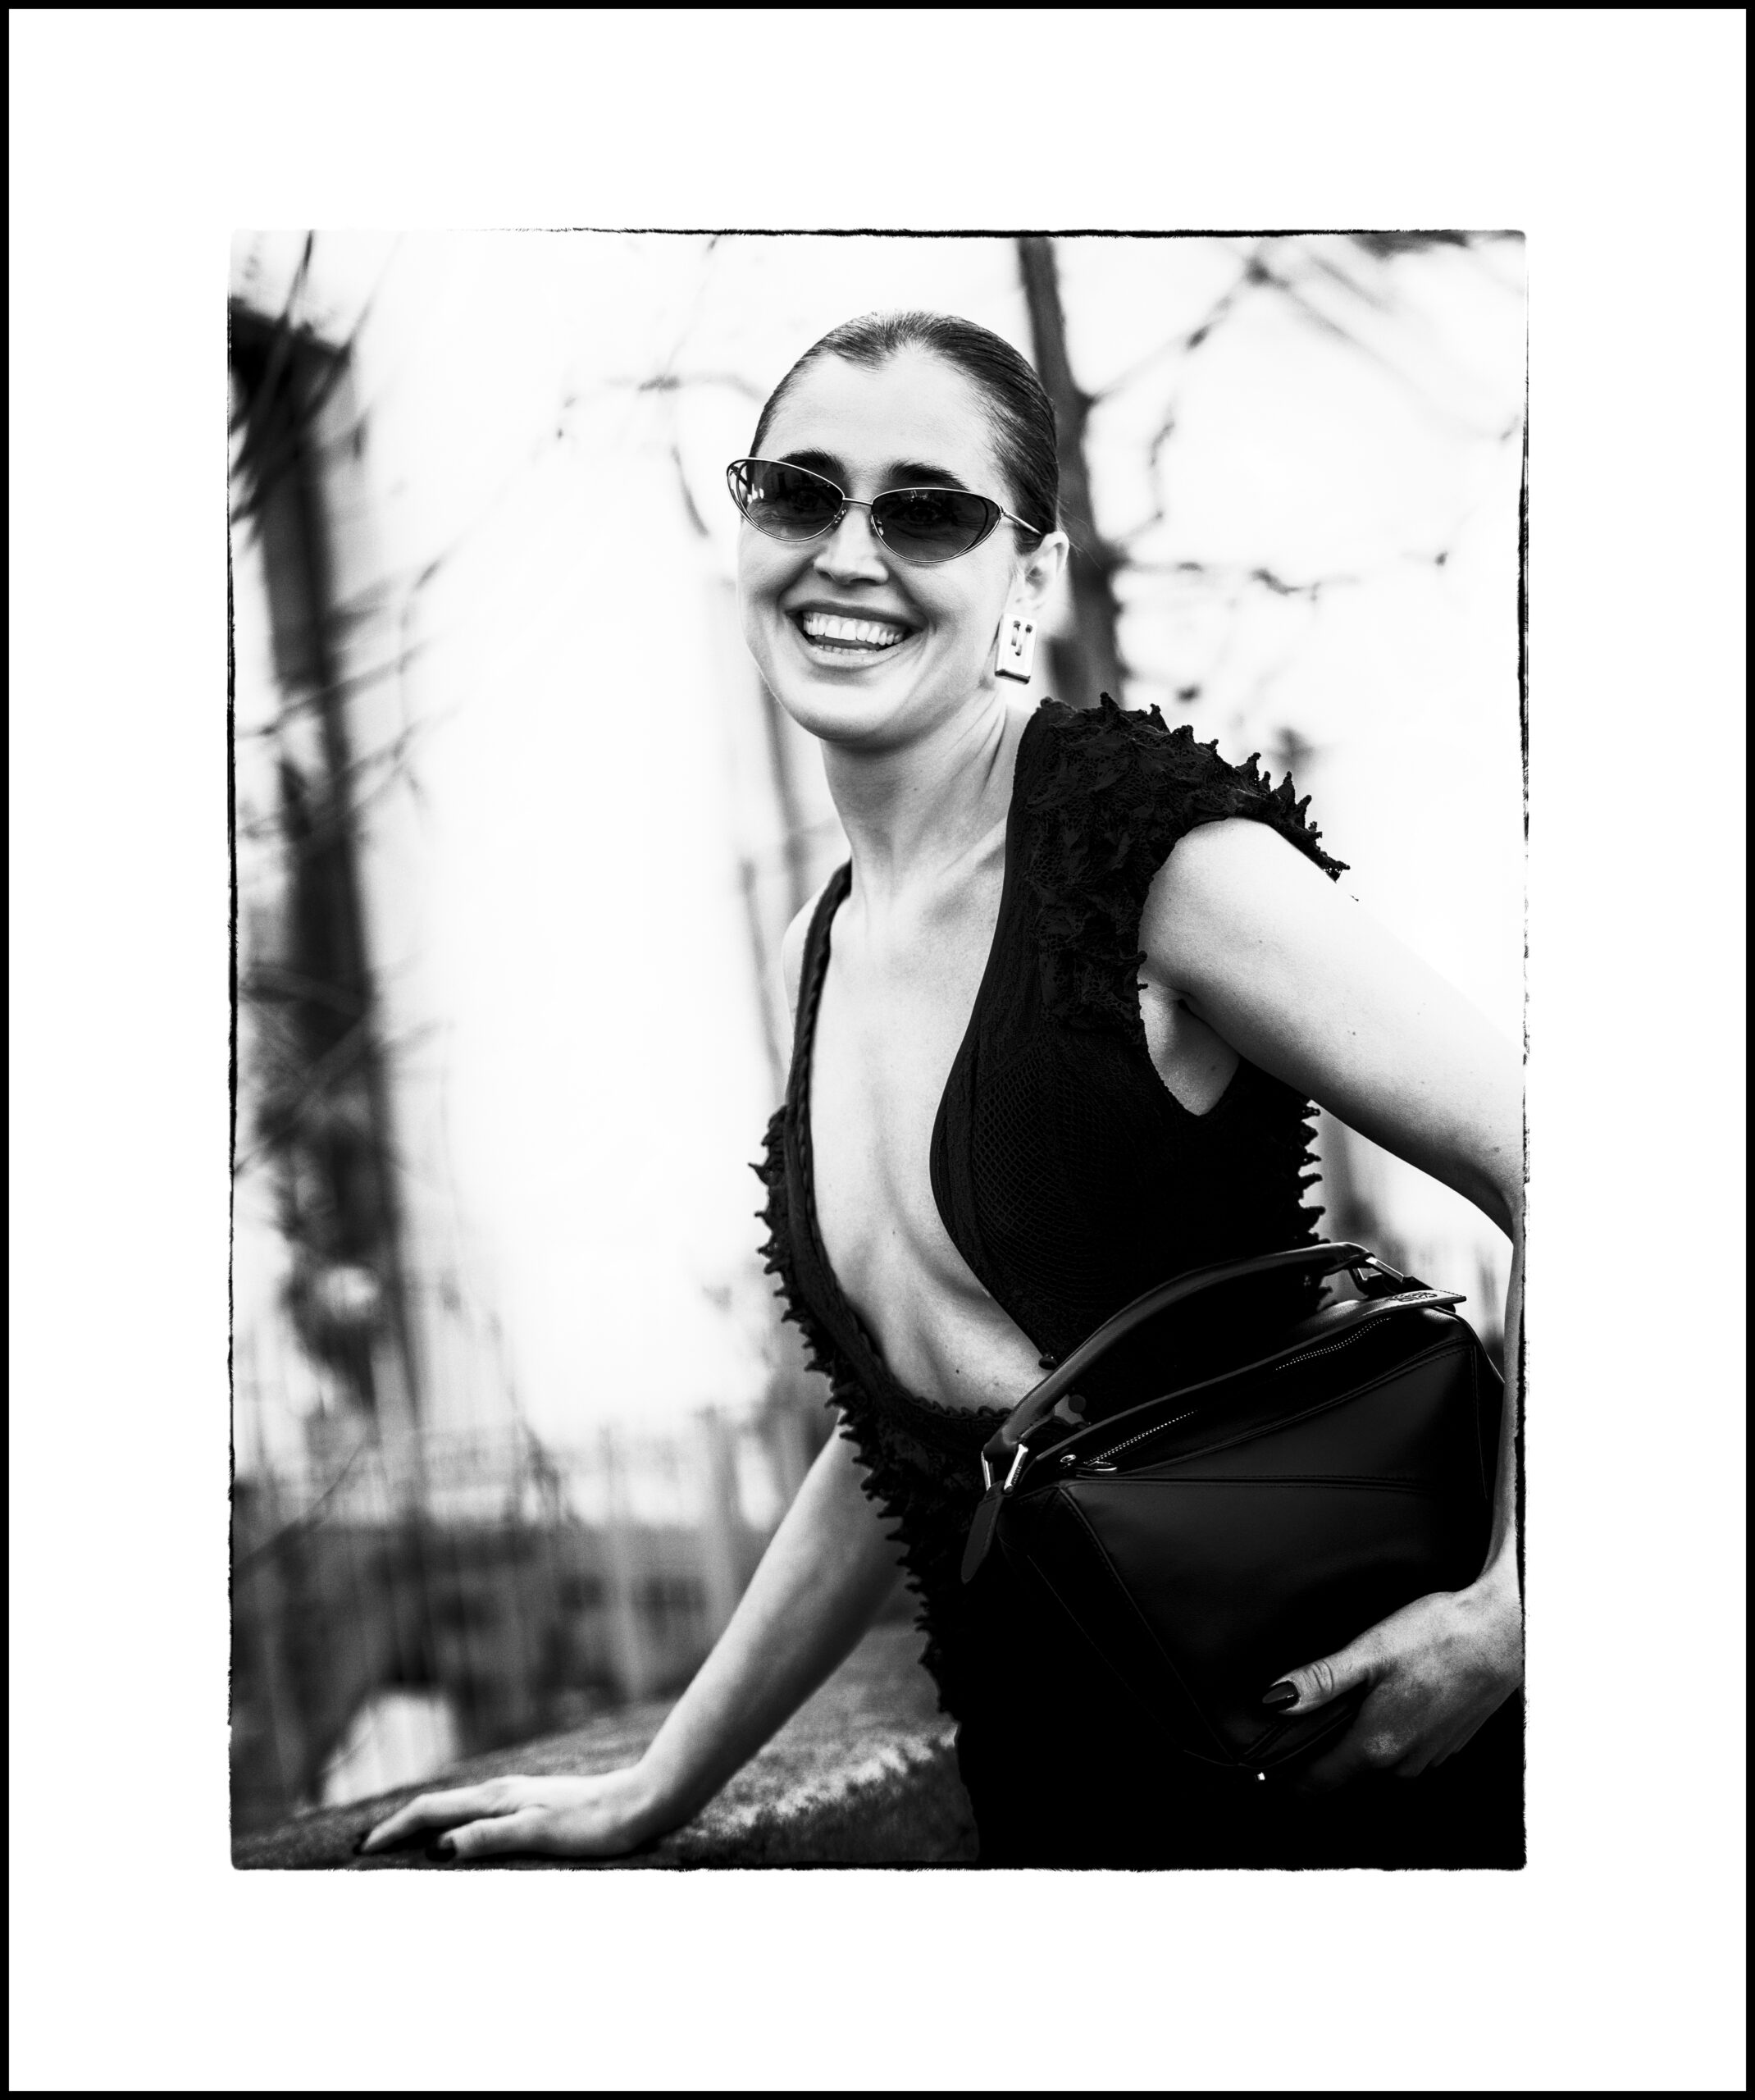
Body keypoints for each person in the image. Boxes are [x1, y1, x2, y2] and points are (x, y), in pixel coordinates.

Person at [360, 311, 1524, 1869]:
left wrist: (1519, 1606)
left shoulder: (1152, 860)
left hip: (1353, 1795)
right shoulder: (820, 948)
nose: (849, 553)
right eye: (799, 493)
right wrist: (659, 1786)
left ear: (1028, 577)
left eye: (927, 511)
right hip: (1055, 1813)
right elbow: (911, 1439)